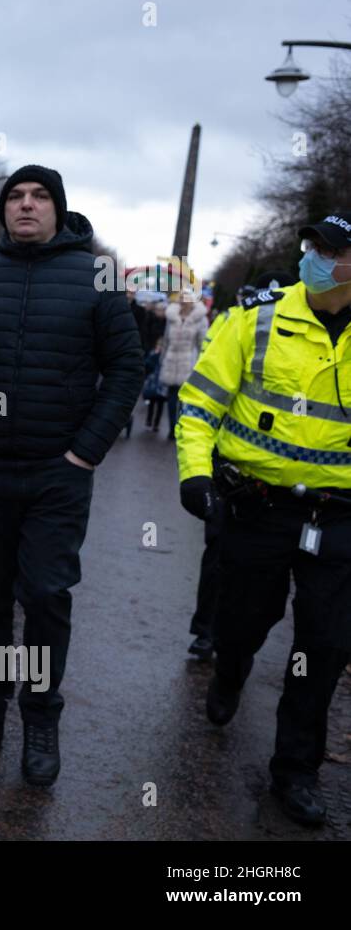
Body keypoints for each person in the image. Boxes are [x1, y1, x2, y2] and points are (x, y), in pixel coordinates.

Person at [0, 164, 143, 786]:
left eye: (38, 196)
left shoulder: (95, 277)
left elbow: (125, 368)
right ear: (2, 211)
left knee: (46, 595)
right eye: (15, 197)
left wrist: (86, 452)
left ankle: (41, 716)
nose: (25, 206)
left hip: (58, 473)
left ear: (58, 208)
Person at [175, 212, 351, 827]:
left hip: (339, 519)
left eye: (333, 249)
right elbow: (198, 406)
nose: (317, 256)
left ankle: (295, 771)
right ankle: (231, 666)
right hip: (260, 506)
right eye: (315, 245)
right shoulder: (257, 322)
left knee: (325, 645)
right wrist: (195, 474)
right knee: (246, 618)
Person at [186, 270, 296, 662]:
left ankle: (235, 644)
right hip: (227, 464)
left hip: (285, 477)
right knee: (218, 551)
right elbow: (208, 385)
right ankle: (206, 631)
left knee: (264, 583)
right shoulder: (238, 321)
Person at [157, 292, 209, 438]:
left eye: (186, 298)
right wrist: (162, 359)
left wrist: (200, 366)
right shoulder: (172, 316)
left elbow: (202, 343)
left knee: (185, 399)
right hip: (171, 361)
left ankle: (182, 426)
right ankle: (172, 427)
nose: (183, 301)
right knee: (172, 397)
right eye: (181, 298)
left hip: (189, 361)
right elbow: (166, 340)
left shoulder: (200, 319)